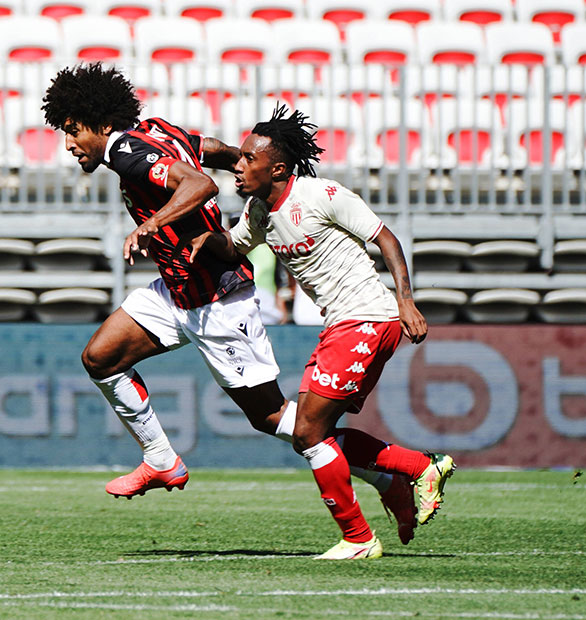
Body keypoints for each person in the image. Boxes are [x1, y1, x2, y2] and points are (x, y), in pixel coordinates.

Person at [189, 104, 456, 560]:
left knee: (309, 431)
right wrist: (195, 233)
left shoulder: (321, 194)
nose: (238, 163)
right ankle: (410, 471)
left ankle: (359, 537)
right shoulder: (258, 211)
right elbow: (233, 247)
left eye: (248, 158)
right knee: (311, 431)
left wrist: (405, 300)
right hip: (343, 324)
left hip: (368, 317)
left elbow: (385, 238)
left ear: (276, 167)